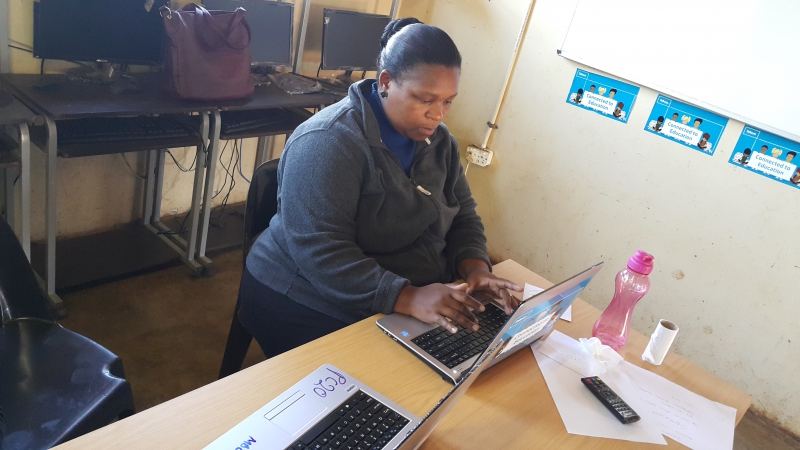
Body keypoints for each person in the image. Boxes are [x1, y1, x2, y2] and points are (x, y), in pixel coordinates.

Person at [239, 18, 522, 359]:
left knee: (479, 355)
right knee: (394, 376)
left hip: (394, 281)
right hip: (302, 292)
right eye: (425, 99)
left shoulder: (440, 142)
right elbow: (322, 253)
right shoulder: (327, 142)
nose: (438, 115)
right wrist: (408, 297)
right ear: (386, 82)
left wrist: (475, 269)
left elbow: (463, 215)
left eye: (448, 101)